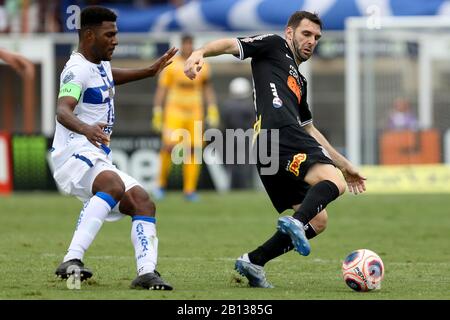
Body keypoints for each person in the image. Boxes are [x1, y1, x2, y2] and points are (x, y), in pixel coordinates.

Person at [184, 11, 366, 288]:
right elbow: (231, 44)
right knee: (332, 185)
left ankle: (254, 261)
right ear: (290, 32)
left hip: (269, 148)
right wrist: (200, 51)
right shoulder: (273, 44)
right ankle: (295, 222)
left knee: (317, 220)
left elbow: (309, 128)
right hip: (278, 132)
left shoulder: (299, 82)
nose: (312, 41)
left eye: (316, 37)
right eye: (306, 34)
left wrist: (344, 164)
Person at [51, 6, 178, 290]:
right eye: (109, 34)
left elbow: (110, 76)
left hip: (95, 154)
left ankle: (146, 273)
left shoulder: (99, 64)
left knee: (143, 201)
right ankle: (72, 259)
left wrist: (150, 70)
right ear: (88, 35)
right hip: (72, 152)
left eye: (116, 34)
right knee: (111, 185)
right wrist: (86, 128)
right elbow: (62, 110)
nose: (115, 40)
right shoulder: (75, 70)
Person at [152, 34, 219, 202]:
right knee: (169, 146)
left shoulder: (202, 64)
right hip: (174, 110)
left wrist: (212, 108)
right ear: (182, 46)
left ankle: (189, 190)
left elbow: (207, 88)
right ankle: (160, 185)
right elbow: (162, 89)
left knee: (194, 149)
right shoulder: (172, 65)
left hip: (195, 112)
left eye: (190, 44)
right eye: (186, 44)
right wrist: (157, 111)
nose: (188, 47)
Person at [222, 77, 255, 189]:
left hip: (230, 136)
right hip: (247, 136)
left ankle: (233, 186)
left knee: (233, 164)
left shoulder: (227, 105)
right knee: (245, 163)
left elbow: (224, 123)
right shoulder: (251, 106)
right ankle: (245, 186)